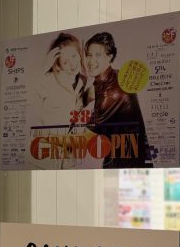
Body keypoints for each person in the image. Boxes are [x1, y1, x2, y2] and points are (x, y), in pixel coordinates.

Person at [82, 31, 152, 168]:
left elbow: (83, 139)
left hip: (128, 166)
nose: (91, 61)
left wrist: (45, 140)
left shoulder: (112, 91)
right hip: (124, 161)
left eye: (98, 55)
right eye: (89, 55)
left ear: (110, 57)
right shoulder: (114, 76)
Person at [31, 32, 89, 168]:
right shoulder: (48, 79)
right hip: (45, 155)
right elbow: (27, 98)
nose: (72, 64)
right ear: (58, 64)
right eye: (65, 62)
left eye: (74, 56)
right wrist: (43, 67)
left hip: (68, 157)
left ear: (80, 54)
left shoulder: (82, 81)